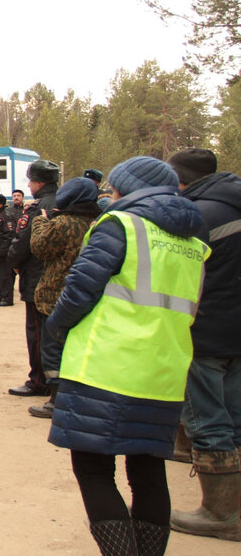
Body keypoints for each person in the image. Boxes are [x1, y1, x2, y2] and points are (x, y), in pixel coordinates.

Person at [46, 157, 207, 556]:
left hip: (106, 365)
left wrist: (55, 329)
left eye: (115, 188)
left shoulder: (121, 226)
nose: (110, 195)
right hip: (164, 371)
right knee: (148, 470)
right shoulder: (193, 242)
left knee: (94, 469)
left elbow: (79, 289)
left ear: (129, 189)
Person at [166, 148, 241, 541]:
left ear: (179, 177)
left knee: (208, 419)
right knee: (236, 417)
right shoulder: (231, 204)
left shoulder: (198, 217)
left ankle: (222, 512)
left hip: (206, 331)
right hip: (236, 333)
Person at [27, 177, 102, 419]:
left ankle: (56, 399)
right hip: (90, 295)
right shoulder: (99, 222)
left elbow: (39, 247)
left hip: (56, 294)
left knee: (52, 350)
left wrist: (40, 222)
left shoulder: (64, 223)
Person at [6, 160, 60, 397]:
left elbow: (22, 242)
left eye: (30, 181)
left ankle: (39, 380)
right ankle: (58, 383)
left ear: (39, 182)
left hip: (37, 277)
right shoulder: (65, 202)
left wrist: (13, 263)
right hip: (62, 279)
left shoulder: (36, 208)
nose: (28, 186)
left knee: (37, 332)